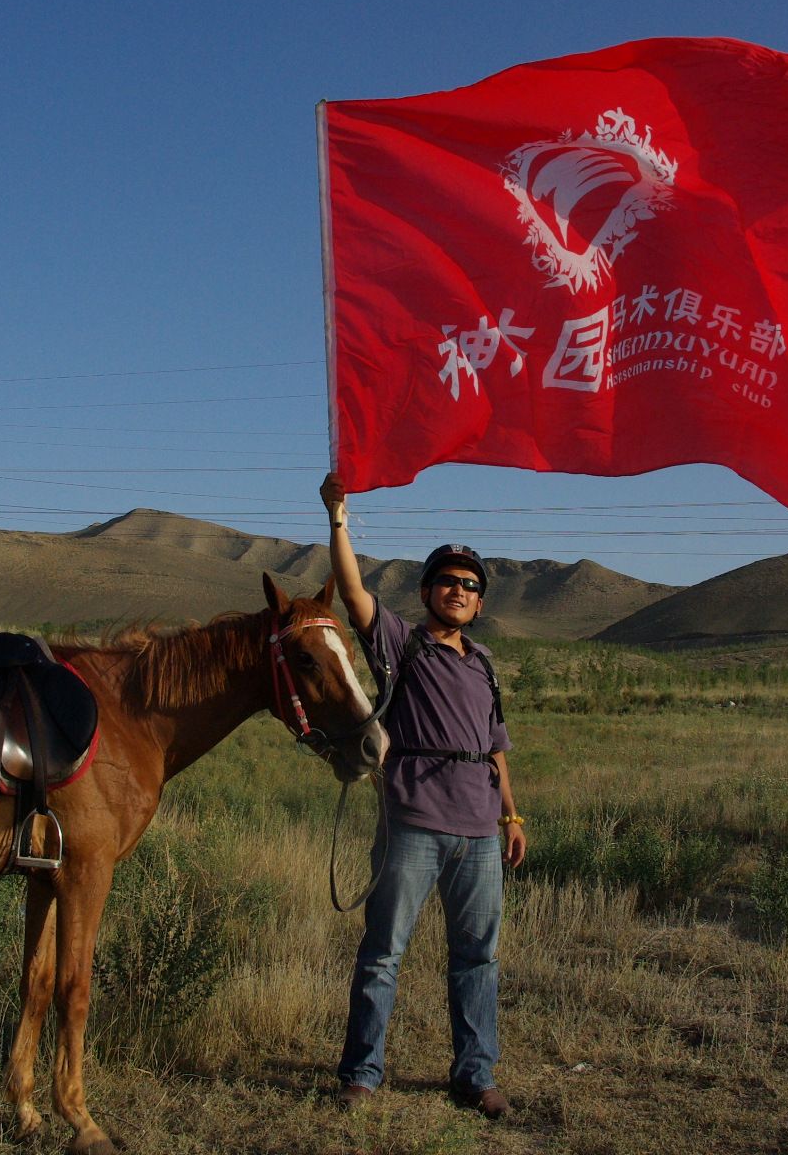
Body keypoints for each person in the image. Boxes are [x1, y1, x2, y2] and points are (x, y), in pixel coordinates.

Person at [319, 472, 526, 1120]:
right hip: (412, 824)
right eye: (448, 580)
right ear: (427, 591)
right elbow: (353, 595)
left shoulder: (484, 662)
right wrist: (339, 518)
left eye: (470, 585)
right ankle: (362, 1073)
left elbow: (495, 746)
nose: (458, 591)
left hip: (481, 832)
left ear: (480, 603)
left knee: (477, 958)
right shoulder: (399, 644)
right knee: (384, 952)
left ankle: (474, 1074)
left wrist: (512, 815)